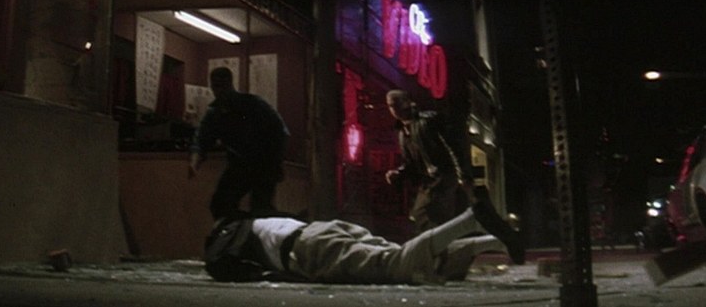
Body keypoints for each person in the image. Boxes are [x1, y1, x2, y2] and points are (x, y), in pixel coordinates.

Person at [203, 183, 525, 284]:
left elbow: (239, 271)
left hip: (307, 249)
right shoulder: (256, 221)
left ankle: (472, 220)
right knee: (402, 255)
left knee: (395, 265)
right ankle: (495, 240)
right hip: (321, 229)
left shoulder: (221, 245)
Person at [189, 67, 290, 219]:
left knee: (261, 210)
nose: (219, 91)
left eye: (223, 86)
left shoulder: (252, 104)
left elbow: (280, 130)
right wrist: (194, 161)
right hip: (239, 164)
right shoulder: (215, 113)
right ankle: (240, 227)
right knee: (220, 205)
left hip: (264, 163)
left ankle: (281, 224)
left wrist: (277, 160)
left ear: (230, 84)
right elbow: (202, 139)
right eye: (216, 86)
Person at [384, 89, 469, 232]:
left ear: (407, 102)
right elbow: (410, 162)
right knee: (432, 218)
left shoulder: (428, 120)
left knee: (424, 214)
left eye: (397, 104)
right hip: (429, 182)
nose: (394, 109)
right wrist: (399, 172)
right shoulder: (402, 132)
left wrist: (462, 175)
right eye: (391, 106)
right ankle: (444, 244)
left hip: (443, 177)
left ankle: (440, 243)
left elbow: (453, 146)